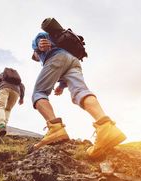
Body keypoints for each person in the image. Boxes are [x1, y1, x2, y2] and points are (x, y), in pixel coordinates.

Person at [31, 18, 126, 158]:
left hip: (57, 57)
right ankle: (105, 126)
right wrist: (62, 86)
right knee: (80, 92)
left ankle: (55, 128)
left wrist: (38, 47)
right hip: (74, 61)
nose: (37, 58)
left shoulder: (42, 39)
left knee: (39, 93)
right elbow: (64, 68)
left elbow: (39, 43)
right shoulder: (64, 44)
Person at [0, 67, 25, 137]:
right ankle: (2, 129)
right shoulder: (16, 80)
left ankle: (2, 125)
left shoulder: (0, 75)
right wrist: (21, 98)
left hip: (4, 88)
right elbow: (22, 86)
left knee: (0, 106)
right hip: (16, 92)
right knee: (8, 109)